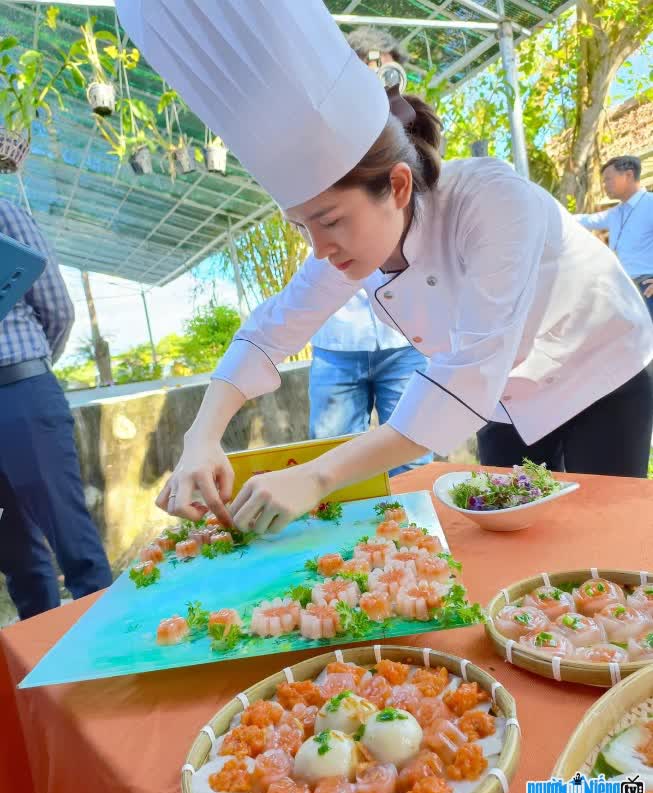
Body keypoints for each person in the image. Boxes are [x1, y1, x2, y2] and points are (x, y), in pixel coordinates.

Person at [117, 0, 653, 538]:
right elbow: (272, 329)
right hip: (504, 393)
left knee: (601, 533)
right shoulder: (356, 242)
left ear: (397, 186)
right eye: (304, 228)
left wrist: (318, 477)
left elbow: (465, 373)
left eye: (329, 221)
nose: (321, 249)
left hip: (597, 367)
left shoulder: (492, 202)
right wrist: (201, 437)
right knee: (501, 531)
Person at [309, 27, 431, 476]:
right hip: (338, 338)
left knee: (413, 460)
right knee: (332, 461)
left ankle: (418, 546)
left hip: (406, 340)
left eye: (385, 77)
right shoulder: (314, 148)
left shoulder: (415, 142)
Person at [0, 200, 112, 619]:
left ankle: (108, 666)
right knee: (16, 558)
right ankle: (43, 667)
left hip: (20, 390)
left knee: (72, 542)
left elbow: (56, 306)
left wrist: (33, 365)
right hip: (21, 387)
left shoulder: (2, 212)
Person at [576, 156, 653, 319]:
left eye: (608, 179)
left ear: (628, 175)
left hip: (646, 289)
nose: (604, 186)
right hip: (622, 290)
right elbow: (585, 220)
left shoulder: (650, 204)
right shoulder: (615, 213)